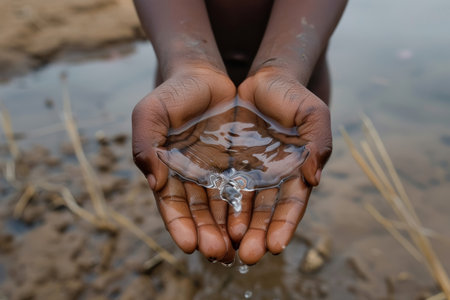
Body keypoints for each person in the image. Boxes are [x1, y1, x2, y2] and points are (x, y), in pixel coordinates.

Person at [132, 0, 347, 265]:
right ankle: (212, 262)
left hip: (293, 93)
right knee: (206, 229)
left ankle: (266, 265)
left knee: (279, 210)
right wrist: (189, 62)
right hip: (187, 106)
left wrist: (281, 68)